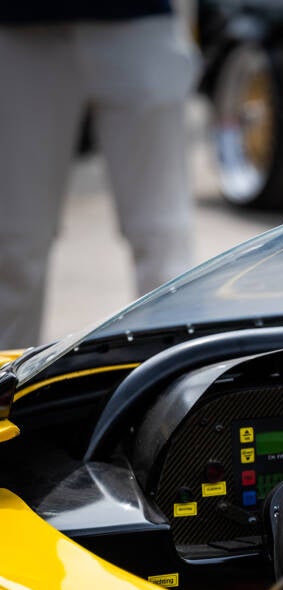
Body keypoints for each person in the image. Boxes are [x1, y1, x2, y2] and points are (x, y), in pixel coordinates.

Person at [0, 1, 197, 348]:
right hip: (18, 28)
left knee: (163, 239)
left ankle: (180, 386)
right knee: (14, 247)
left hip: (139, 21)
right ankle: (5, 391)